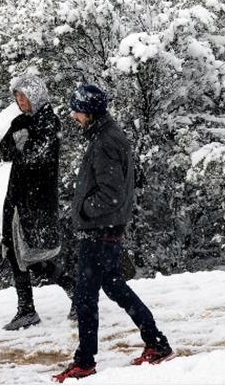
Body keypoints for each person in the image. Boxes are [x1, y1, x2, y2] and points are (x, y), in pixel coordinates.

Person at [53, 84, 173, 382]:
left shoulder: (105, 141)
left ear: (89, 111)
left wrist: (83, 210)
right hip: (106, 228)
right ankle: (156, 343)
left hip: (99, 230)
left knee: (85, 298)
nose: (73, 115)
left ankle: (84, 362)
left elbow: (111, 193)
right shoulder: (106, 136)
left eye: (77, 110)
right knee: (115, 287)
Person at [0, 74, 75, 331]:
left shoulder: (49, 121)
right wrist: (20, 139)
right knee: (15, 252)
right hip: (16, 197)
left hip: (37, 199)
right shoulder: (20, 121)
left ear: (36, 95)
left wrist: (22, 141)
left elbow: (34, 156)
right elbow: (4, 150)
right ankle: (27, 309)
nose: (20, 100)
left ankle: (75, 291)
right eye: (17, 96)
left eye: (24, 95)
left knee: (32, 254)